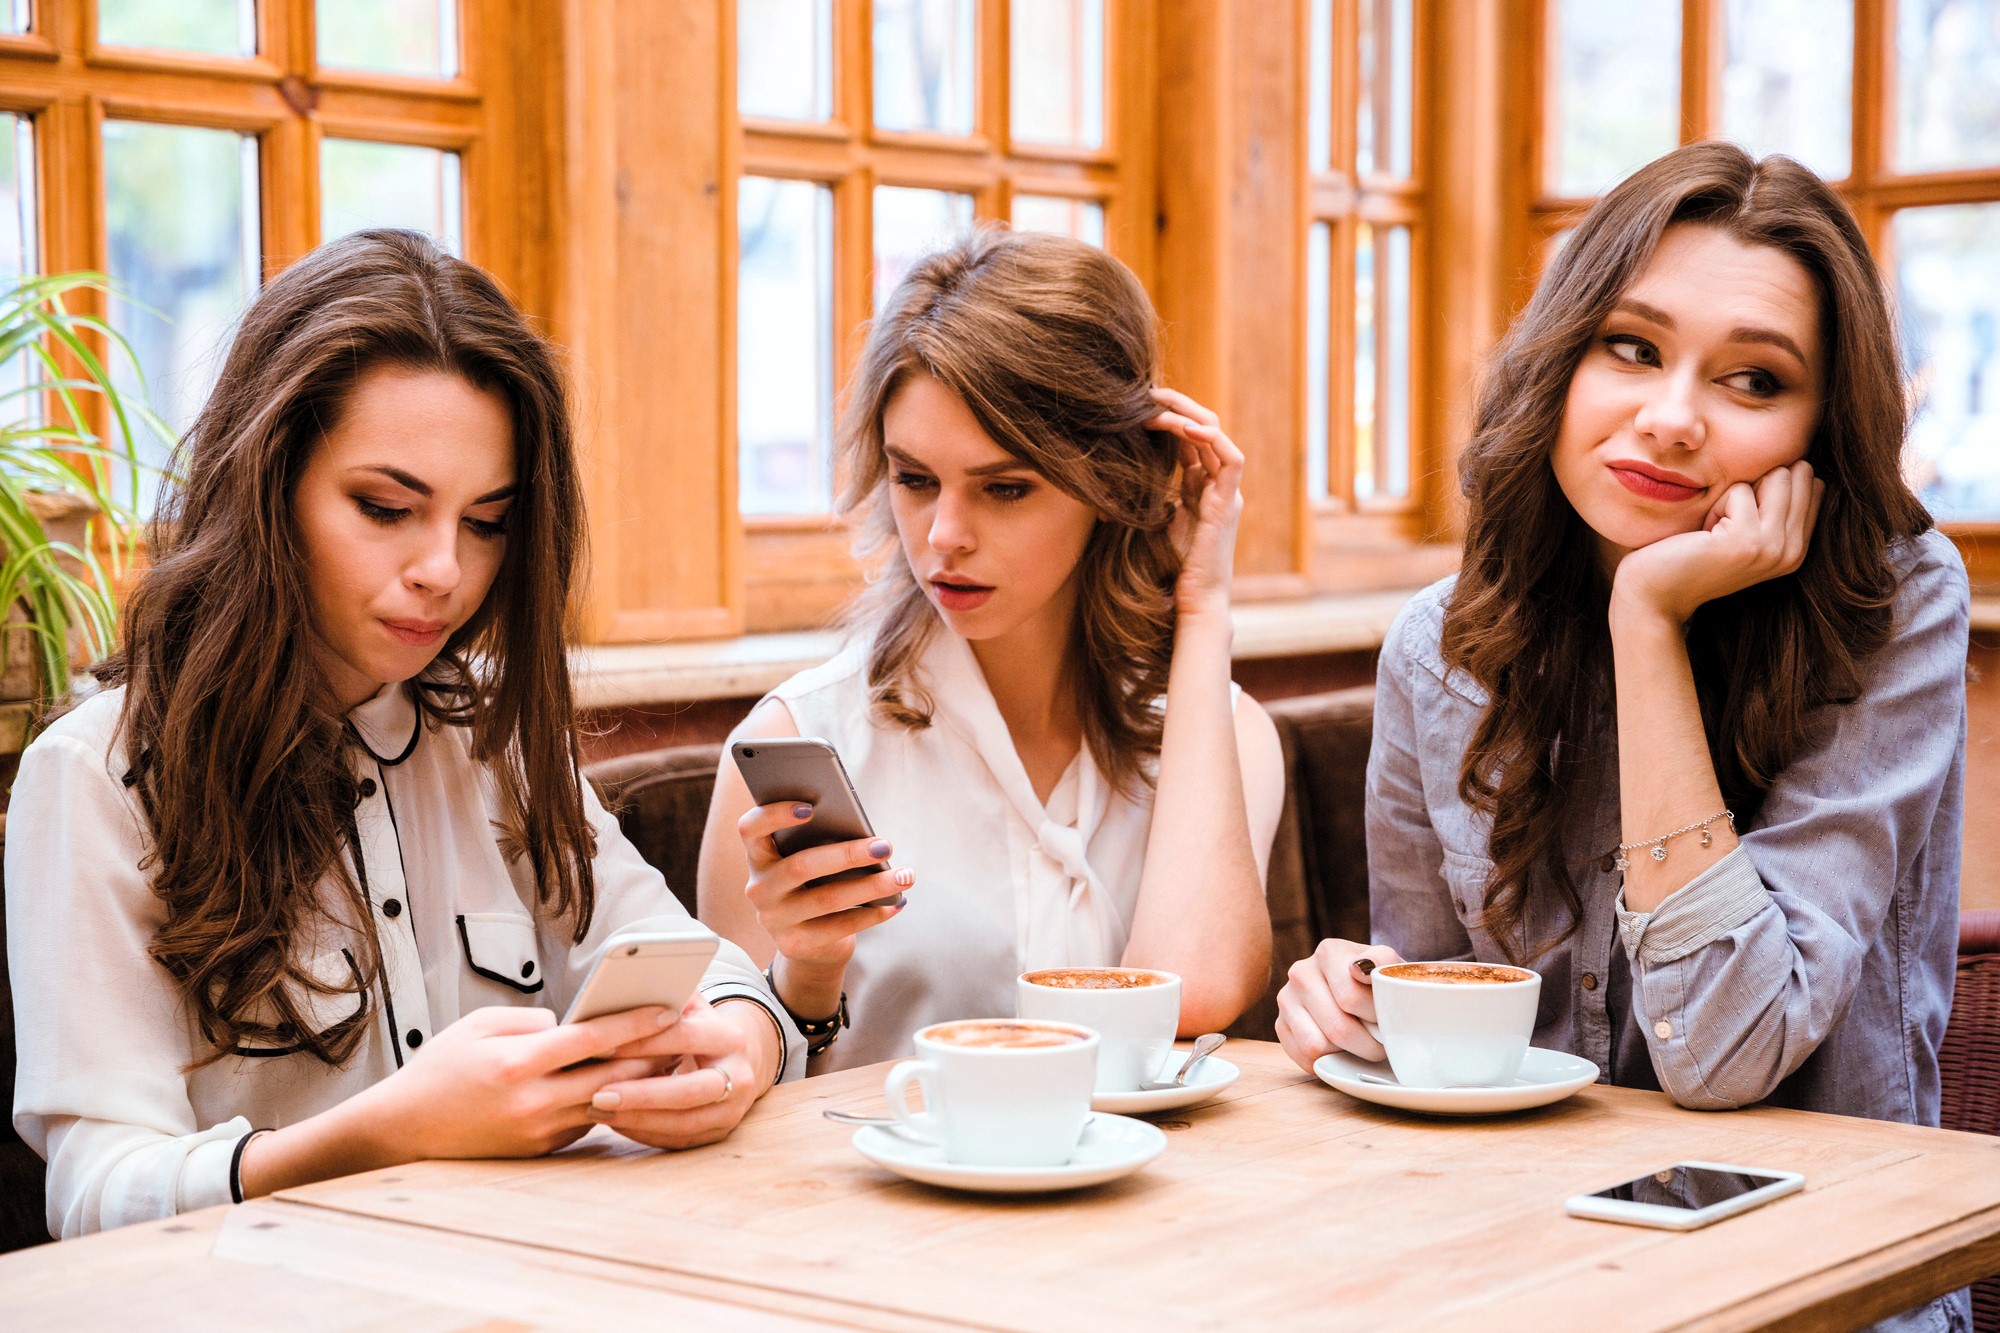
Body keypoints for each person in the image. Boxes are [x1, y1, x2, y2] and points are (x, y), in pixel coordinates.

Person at [1276, 143, 1967, 1329]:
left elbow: (1724, 1050)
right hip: (1528, 1281)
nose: (1668, 418)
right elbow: (1448, 1022)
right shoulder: (1436, 649)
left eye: (1752, 382)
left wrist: (1644, 618)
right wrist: (1354, 1004)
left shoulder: (1892, 608)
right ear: (1560, 357)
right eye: (1629, 347)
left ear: (1820, 426)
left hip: (1818, 1291)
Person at [5, 230, 802, 1239]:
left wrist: (739, 1049)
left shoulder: (496, 740)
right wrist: (390, 1130)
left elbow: (702, 966)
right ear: (267, 483)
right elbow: (92, 1196)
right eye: (386, 507)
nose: (443, 570)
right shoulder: (95, 776)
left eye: (486, 521)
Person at [699, 227, 1286, 1071]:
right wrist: (807, 971)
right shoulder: (804, 740)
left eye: (1004, 488)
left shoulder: (1220, 731)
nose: (943, 536)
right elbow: (730, 1080)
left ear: (1111, 484)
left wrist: (1204, 607)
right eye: (914, 478)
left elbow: (1189, 993)